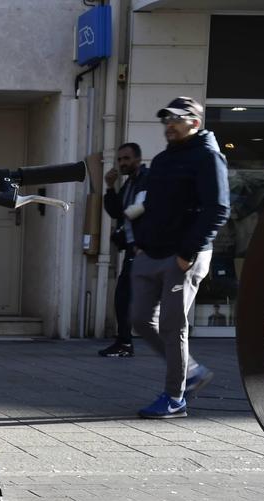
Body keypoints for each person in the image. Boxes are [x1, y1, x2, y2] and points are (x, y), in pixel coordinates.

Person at [131, 97, 229, 419]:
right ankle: (192, 371)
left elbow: (218, 210)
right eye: (166, 119)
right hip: (151, 253)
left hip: (183, 256)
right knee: (141, 320)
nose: (169, 124)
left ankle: (175, 398)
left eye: (177, 118)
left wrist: (188, 253)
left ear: (194, 123)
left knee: (174, 327)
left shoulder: (207, 157)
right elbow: (151, 205)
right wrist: (140, 242)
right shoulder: (161, 161)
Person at [98, 143, 149, 358]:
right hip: (133, 247)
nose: (122, 163)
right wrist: (109, 187)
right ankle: (124, 341)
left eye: (126, 159)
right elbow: (117, 211)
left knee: (124, 295)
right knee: (126, 295)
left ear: (138, 159)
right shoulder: (130, 182)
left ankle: (125, 343)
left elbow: (141, 209)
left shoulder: (146, 179)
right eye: (119, 160)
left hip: (142, 247)